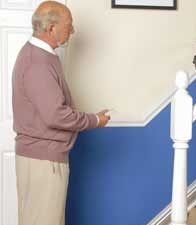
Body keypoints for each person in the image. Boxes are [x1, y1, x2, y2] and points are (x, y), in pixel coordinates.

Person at [11, 1, 110, 225]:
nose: (73, 30)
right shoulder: (37, 62)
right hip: (43, 161)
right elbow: (55, 115)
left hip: (40, 157)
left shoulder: (41, 56)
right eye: (69, 24)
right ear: (51, 28)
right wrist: (95, 120)